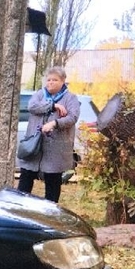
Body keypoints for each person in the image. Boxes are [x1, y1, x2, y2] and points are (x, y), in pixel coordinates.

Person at [16, 66, 80, 203]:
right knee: (25, 178)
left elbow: (72, 118)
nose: (50, 82)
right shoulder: (39, 95)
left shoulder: (70, 98)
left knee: (53, 182)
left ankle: (50, 213)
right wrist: (53, 106)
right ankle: (20, 210)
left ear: (63, 81)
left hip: (55, 149)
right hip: (34, 146)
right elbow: (32, 107)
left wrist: (54, 123)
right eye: (49, 79)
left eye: (55, 80)